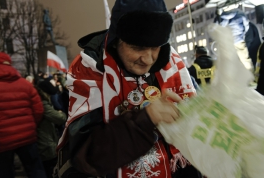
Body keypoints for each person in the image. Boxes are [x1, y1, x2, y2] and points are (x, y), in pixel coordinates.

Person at [56, 0, 202, 178]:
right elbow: (86, 156)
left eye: (155, 47)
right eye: (138, 48)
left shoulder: (173, 61)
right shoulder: (88, 69)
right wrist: (146, 119)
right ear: (117, 41)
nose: (148, 59)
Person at [0, 52, 46, 178]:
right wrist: (30, 125)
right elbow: (38, 110)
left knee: (4, 172)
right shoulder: (25, 84)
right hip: (27, 136)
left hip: (2, 139)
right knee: (35, 169)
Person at [36, 79, 67, 178]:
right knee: (49, 169)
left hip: (44, 140)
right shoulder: (43, 104)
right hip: (45, 143)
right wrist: (61, 113)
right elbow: (60, 118)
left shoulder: (39, 101)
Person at [215, 8, 254, 72]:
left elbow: (217, 27)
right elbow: (246, 25)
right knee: (245, 59)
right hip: (239, 39)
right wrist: (242, 34)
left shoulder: (221, 17)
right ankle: (251, 74)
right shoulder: (240, 14)